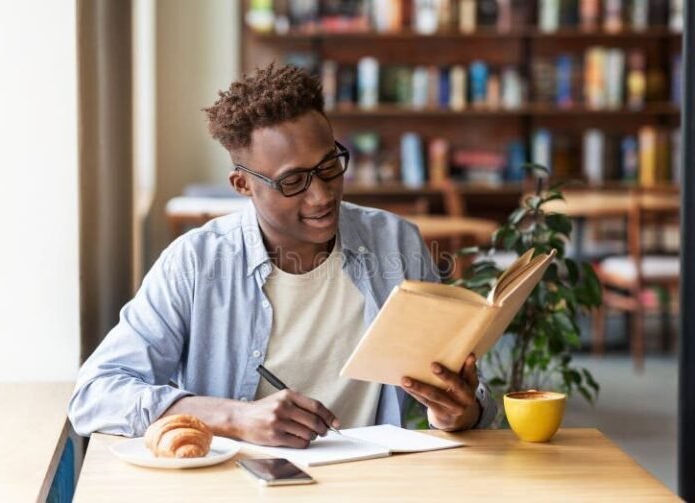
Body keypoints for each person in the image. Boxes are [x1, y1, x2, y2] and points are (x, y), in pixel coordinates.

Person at [68, 64, 496, 447]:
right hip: (237, 486)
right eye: (293, 182)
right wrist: (235, 418)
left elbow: (458, 390)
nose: (322, 195)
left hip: (371, 483)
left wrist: (458, 413)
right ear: (242, 185)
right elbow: (94, 394)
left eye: (329, 166)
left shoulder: (395, 243)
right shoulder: (196, 262)